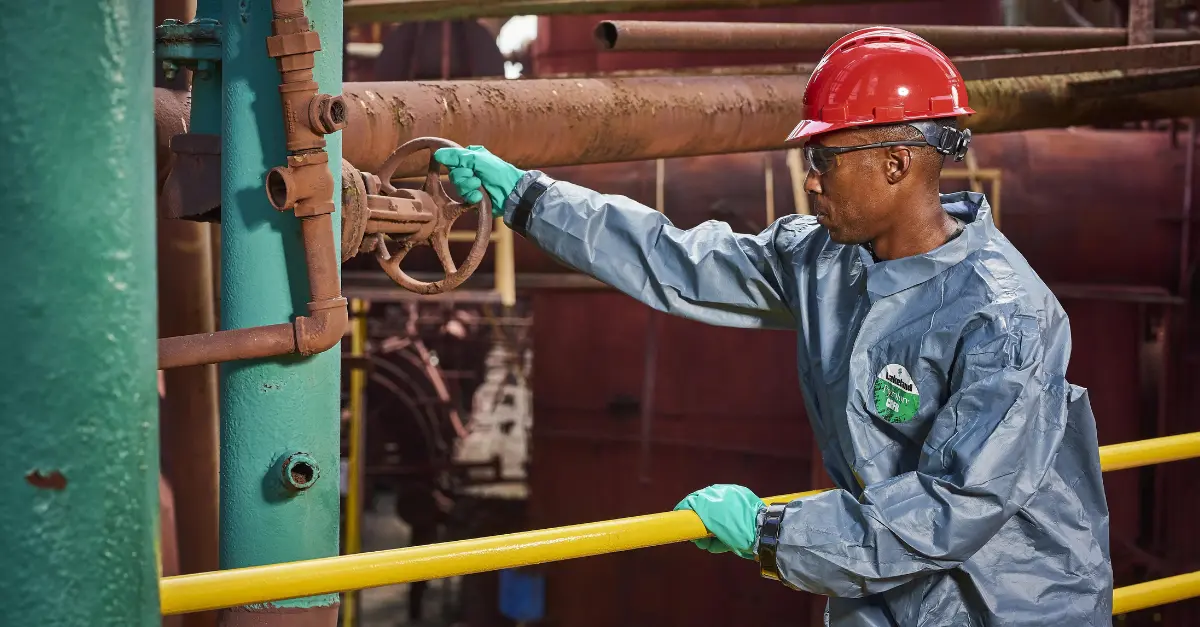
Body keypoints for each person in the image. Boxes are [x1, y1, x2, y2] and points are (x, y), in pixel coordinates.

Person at [433, 27, 1112, 627]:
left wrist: (770, 530)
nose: (810, 182)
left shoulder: (1005, 317)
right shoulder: (826, 260)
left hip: (1010, 603)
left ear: (897, 163)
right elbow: (676, 259)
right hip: (883, 585)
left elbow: (954, 504)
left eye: (824, 159)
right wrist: (525, 196)